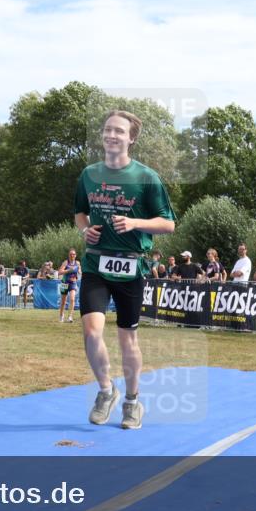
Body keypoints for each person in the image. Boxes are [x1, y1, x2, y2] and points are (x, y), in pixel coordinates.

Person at [76, 110, 175, 430]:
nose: (111, 135)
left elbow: (168, 224)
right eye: (107, 129)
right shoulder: (89, 174)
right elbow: (80, 213)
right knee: (92, 332)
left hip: (131, 267)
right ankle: (106, 391)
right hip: (96, 264)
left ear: (131, 138)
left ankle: (132, 401)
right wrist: (85, 230)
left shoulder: (147, 177)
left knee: (127, 339)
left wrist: (134, 223)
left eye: (119, 131)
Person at [58, 248, 81, 323]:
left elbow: (80, 271)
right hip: (64, 282)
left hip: (73, 283)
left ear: (76, 255)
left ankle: (70, 317)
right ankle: (61, 315)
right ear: (69, 255)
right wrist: (68, 270)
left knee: (72, 299)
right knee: (63, 301)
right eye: (71, 254)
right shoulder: (66, 262)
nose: (72, 256)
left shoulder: (77, 263)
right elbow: (60, 272)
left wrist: (80, 273)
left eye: (73, 254)